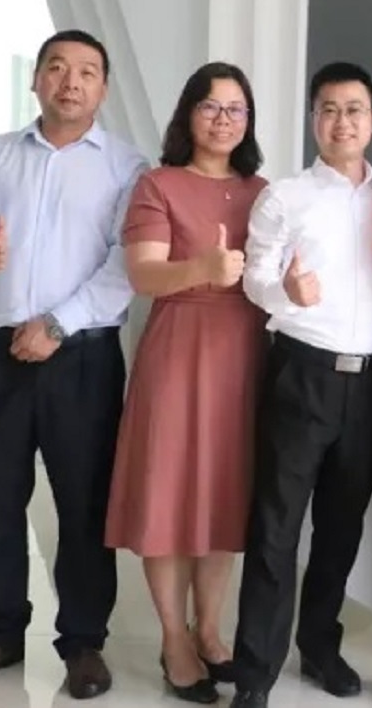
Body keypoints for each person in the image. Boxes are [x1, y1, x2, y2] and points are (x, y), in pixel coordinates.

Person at [0, 29, 148, 699]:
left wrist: (56, 325)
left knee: (83, 505)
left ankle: (83, 643)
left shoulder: (127, 166)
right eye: (56, 67)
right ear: (36, 79)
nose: (70, 81)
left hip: (81, 359)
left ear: (103, 88)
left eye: (86, 71)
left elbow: (125, 264)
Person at [228, 62, 372, 708]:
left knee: (341, 527)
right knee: (275, 527)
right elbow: (254, 278)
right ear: (313, 120)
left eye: (353, 110)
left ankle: (320, 646)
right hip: (300, 373)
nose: (341, 121)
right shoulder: (285, 197)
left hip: (368, 381)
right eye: (328, 109)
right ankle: (255, 673)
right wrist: (285, 293)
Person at [104, 61, 269, 704]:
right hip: (178, 350)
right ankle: (174, 638)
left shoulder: (263, 191)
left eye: (236, 109)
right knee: (171, 493)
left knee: (224, 492)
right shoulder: (159, 183)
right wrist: (203, 268)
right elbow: (144, 276)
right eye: (210, 106)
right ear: (188, 115)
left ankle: (211, 631)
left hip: (244, 352)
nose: (223, 120)